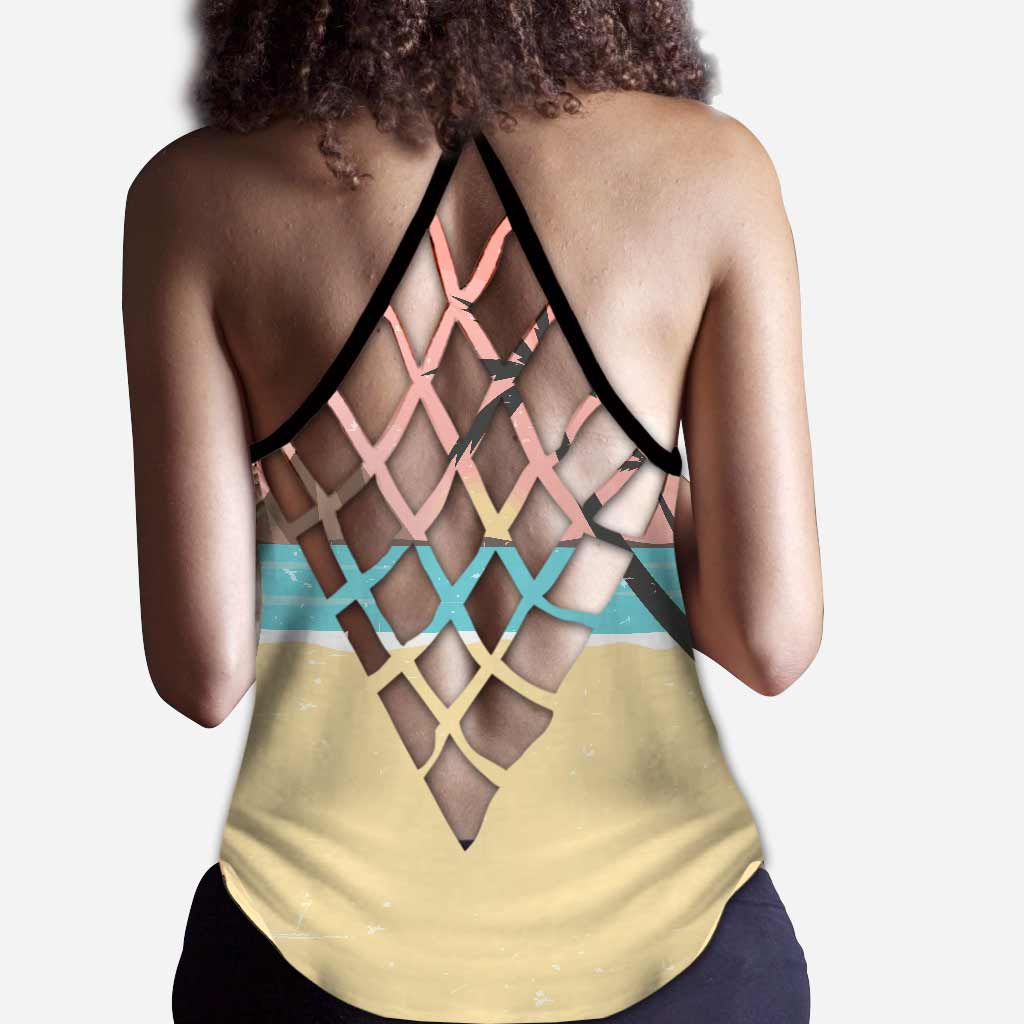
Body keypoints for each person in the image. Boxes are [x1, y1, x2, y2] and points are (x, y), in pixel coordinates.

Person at [123, 3, 823, 1021]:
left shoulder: (194, 199)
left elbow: (203, 673)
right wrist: (613, 486)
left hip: (310, 962)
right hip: (675, 963)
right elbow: (771, 639)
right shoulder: (710, 175)